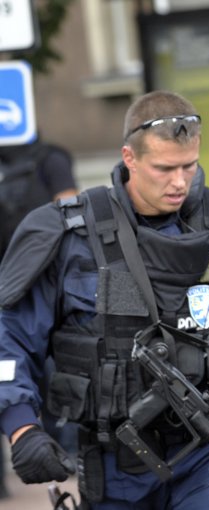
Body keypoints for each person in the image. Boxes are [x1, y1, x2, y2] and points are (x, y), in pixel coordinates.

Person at [0, 90, 209, 509]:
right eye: (164, 168)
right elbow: (11, 337)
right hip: (112, 461)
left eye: (189, 166)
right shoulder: (74, 240)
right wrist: (22, 428)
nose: (179, 181)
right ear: (130, 158)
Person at [0, 137, 79, 499]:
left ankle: (54, 454)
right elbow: (68, 208)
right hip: (30, 282)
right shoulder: (48, 157)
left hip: (31, 285)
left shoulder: (47, 157)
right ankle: (59, 453)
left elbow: (68, 208)